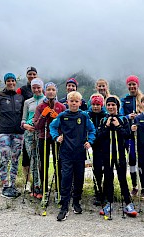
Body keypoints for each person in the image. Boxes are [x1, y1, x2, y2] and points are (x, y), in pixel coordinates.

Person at [49, 91, 96, 221]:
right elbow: (52, 127)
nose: (74, 103)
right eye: (72, 101)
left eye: (76, 101)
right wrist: (56, 137)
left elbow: (92, 130)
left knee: (79, 178)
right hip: (66, 152)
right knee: (66, 179)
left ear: (80, 103)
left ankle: (76, 202)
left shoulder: (84, 116)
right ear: (67, 102)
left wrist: (89, 141)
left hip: (80, 153)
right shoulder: (63, 116)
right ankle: (64, 206)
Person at [97, 96, 137, 217]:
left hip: (120, 154)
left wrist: (118, 126)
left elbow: (127, 135)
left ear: (117, 107)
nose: (111, 107)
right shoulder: (103, 120)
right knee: (108, 179)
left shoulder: (123, 119)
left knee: (122, 179)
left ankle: (128, 203)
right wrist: (107, 126)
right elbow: (99, 137)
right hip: (107, 155)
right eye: (108, 105)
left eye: (113, 105)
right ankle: (108, 203)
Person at [0, 73, 24, 198]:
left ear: (15, 82)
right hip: (3, 132)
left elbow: (23, 114)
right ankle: (5, 186)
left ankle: (13, 185)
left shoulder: (20, 97)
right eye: (8, 81)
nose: (11, 83)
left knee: (15, 160)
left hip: (18, 133)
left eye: (13, 80)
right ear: (5, 82)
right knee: (4, 158)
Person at [33, 82, 66, 203]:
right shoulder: (40, 107)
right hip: (44, 137)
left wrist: (57, 117)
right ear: (45, 91)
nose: (51, 92)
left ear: (56, 91)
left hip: (57, 138)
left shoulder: (61, 107)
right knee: (44, 164)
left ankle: (58, 190)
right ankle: (44, 191)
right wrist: (43, 115)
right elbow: (37, 126)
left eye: (53, 89)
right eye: (48, 89)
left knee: (59, 163)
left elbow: (66, 124)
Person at [21, 78, 45, 198]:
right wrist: (25, 125)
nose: (36, 90)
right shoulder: (27, 102)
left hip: (41, 132)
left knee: (41, 159)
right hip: (29, 133)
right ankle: (36, 186)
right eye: (34, 87)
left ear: (42, 88)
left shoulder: (46, 100)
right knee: (33, 160)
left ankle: (42, 186)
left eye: (38, 87)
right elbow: (23, 119)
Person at [120, 75, 143, 197]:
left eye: (134, 84)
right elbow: (121, 116)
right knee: (132, 160)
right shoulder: (124, 100)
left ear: (137, 85)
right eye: (130, 84)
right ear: (127, 86)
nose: (132, 86)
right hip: (129, 135)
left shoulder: (142, 98)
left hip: (141, 135)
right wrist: (129, 117)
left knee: (142, 160)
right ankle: (134, 186)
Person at [16, 67, 38, 188]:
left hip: (37, 129)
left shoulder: (41, 90)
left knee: (38, 156)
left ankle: (37, 181)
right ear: (26, 75)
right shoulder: (21, 90)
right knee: (26, 156)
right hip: (25, 127)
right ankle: (27, 181)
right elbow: (17, 107)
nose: (32, 76)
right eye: (30, 74)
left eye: (34, 74)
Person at [86, 93, 108, 205]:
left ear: (101, 105)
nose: (95, 107)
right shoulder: (87, 115)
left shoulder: (105, 115)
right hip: (93, 144)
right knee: (97, 169)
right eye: (94, 104)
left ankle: (106, 192)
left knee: (106, 170)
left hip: (103, 145)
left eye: (98, 105)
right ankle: (98, 192)